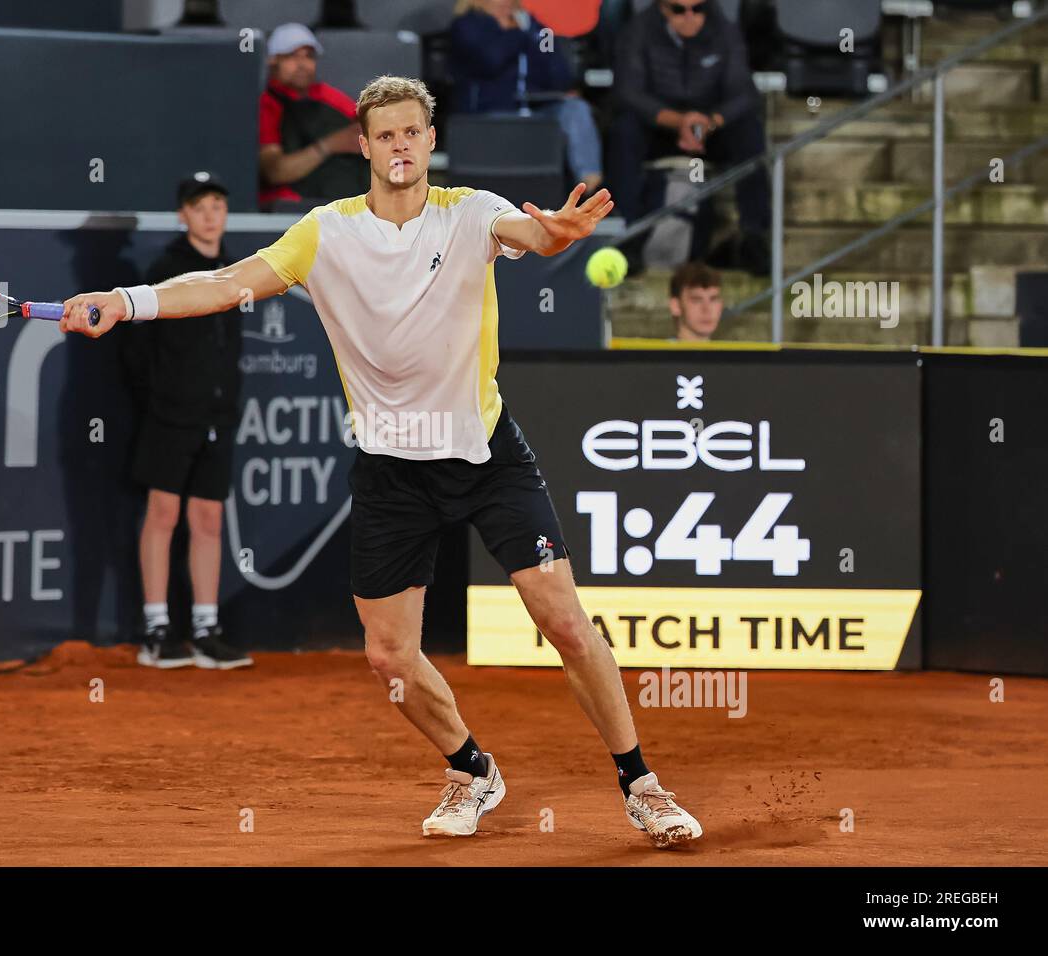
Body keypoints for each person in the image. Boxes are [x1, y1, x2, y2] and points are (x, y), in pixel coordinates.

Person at [61, 75, 701, 848]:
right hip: (391, 470)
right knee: (389, 656)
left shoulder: (473, 213)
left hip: (485, 454)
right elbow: (230, 283)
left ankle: (643, 784)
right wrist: (128, 301)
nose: (400, 145)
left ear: (431, 141)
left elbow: (531, 235)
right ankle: (471, 768)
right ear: (363, 146)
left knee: (564, 619)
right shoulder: (325, 232)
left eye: (412, 132)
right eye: (385, 135)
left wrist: (556, 234)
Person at [128, 173, 251, 670]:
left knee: (208, 519)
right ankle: (157, 629)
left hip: (218, 418)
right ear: (183, 214)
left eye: (218, 204)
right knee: (162, 515)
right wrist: (163, 402)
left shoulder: (240, 270)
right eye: (198, 206)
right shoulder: (165, 270)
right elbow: (138, 357)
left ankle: (206, 627)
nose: (209, 214)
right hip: (169, 418)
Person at [609, 0, 770, 276]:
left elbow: (744, 93)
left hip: (709, 129)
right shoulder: (638, 31)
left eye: (699, 9)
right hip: (659, 128)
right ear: (662, 8)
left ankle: (753, 237)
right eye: (679, 10)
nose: (691, 17)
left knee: (749, 130)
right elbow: (628, 92)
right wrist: (678, 121)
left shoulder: (724, 30)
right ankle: (627, 234)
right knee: (624, 130)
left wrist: (711, 122)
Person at [448, 0, 603, 195]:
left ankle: (590, 184)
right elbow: (490, 60)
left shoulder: (536, 27)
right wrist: (518, 34)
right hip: (489, 109)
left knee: (575, 109)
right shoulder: (468, 25)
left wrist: (536, 37)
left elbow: (560, 72)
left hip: (537, 106)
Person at [258, 22, 369, 210]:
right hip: (291, 206)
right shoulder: (267, 103)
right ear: (272, 60)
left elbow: (367, 121)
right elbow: (275, 172)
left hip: (341, 201)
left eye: (309, 56)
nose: (302, 65)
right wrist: (330, 145)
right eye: (291, 56)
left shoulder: (324, 94)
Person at [670, 261, 723, 341]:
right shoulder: (655, 353)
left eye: (713, 299)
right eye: (696, 300)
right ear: (675, 306)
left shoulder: (734, 352)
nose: (707, 309)